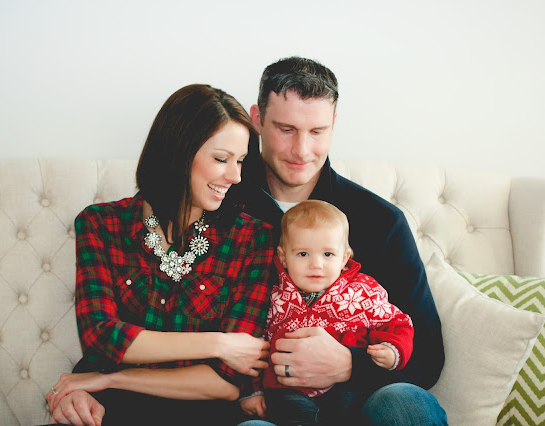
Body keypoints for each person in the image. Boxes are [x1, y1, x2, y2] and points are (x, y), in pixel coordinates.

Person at [46, 84, 275, 426]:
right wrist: (219, 344)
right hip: (111, 410)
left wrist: (110, 379)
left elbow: (227, 383)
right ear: (178, 152)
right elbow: (101, 336)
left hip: (201, 413)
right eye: (221, 159)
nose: (235, 176)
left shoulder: (253, 239)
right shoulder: (101, 224)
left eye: (240, 161)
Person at [236, 57, 447, 425]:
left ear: (334, 123)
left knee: (404, 401)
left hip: (363, 404)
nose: (302, 150)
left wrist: (350, 364)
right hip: (274, 409)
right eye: (286, 129)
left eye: (317, 131)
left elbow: (428, 355)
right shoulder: (221, 205)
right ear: (257, 119)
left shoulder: (380, 221)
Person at [239, 200, 414, 425]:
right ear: (283, 257)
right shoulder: (273, 298)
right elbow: (252, 345)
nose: (316, 264)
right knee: (288, 411)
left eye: (328, 254)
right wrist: (251, 390)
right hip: (289, 389)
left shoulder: (361, 292)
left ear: (344, 258)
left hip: (348, 389)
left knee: (356, 403)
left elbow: (397, 322)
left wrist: (393, 349)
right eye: (303, 254)